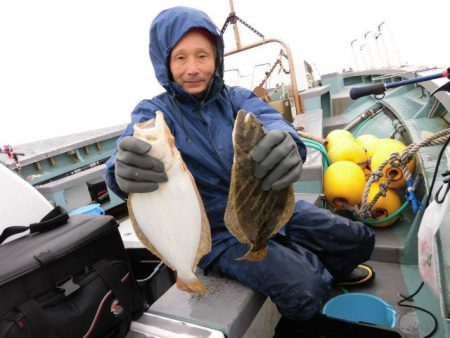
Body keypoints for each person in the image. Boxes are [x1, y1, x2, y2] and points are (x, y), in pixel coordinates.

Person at [105, 5, 375, 331]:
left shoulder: (237, 98)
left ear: (217, 58)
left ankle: (329, 264)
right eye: (180, 58)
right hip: (218, 235)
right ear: (164, 61)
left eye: (202, 56)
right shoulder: (154, 111)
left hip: (265, 210)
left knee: (358, 239)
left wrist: (288, 141)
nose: (193, 68)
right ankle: (306, 297)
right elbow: (132, 144)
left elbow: (271, 120)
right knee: (306, 289)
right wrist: (119, 170)